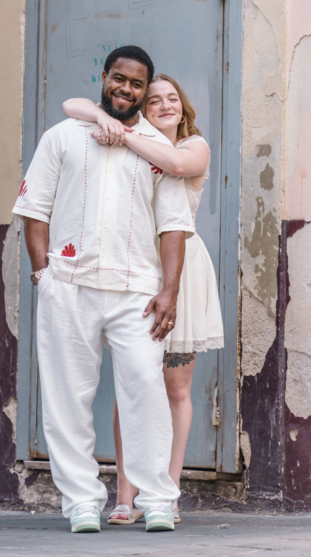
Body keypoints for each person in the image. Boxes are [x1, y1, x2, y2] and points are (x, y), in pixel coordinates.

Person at [13, 45, 194, 534]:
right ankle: (81, 502)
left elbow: (173, 226)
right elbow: (34, 210)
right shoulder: (65, 137)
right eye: (120, 79)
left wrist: (170, 291)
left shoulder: (156, 147)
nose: (126, 89)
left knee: (145, 391)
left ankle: (157, 498)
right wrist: (41, 275)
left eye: (137, 84)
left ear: (143, 89)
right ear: (105, 77)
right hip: (68, 285)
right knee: (67, 398)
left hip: (137, 290)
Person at [63, 74, 224, 526]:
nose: (167, 105)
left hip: (181, 275)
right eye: (156, 100)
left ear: (183, 106)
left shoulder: (193, 147)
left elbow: (174, 164)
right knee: (131, 385)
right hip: (134, 271)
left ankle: (166, 492)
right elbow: (70, 103)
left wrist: (126, 133)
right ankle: (124, 494)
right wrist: (101, 115)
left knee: (175, 389)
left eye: (174, 98)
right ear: (143, 108)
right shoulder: (125, 137)